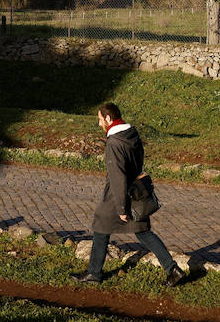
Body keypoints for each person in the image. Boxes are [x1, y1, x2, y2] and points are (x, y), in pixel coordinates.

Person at [72, 102, 185, 286]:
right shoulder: (131, 133)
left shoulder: (114, 142)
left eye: (100, 120)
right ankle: (173, 269)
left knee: (101, 225)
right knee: (143, 231)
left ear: (108, 118)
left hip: (117, 194)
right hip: (136, 191)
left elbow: (117, 176)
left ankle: (94, 272)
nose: (99, 124)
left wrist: (122, 208)